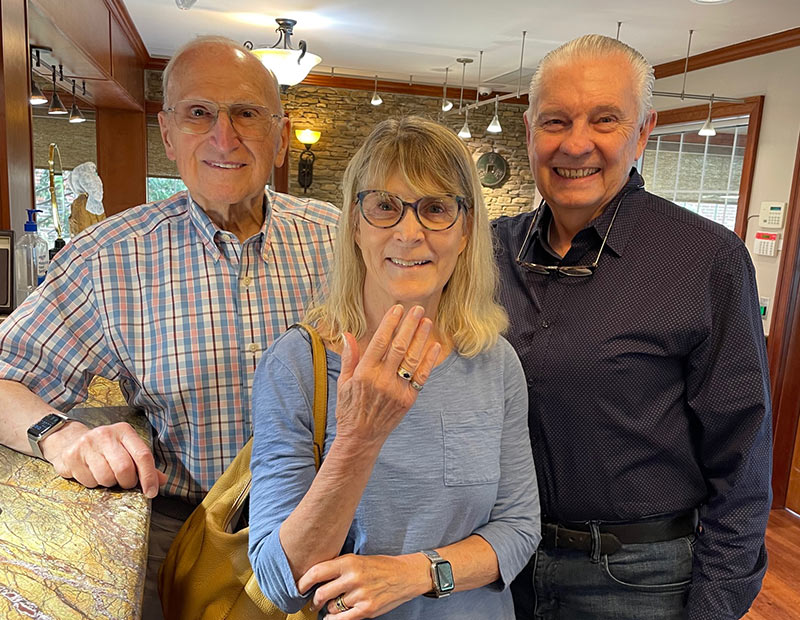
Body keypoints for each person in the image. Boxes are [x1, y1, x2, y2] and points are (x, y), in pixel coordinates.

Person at [0, 36, 339, 617]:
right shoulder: (105, 259)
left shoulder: (342, 240)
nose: (224, 137)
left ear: (281, 136)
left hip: (344, 543)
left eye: (247, 114)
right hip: (199, 543)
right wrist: (62, 435)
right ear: (167, 133)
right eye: (199, 113)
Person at [492, 34, 772, 620]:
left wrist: (717, 605)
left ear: (643, 131)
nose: (575, 144)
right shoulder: (489, 252)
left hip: (639, 580)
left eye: (604, 120)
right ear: (528, 131)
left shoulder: (704, 258)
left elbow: (741, 453)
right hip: (498, 564)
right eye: (555, 121)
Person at [248, 116, 541, 619]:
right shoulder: (298, 365)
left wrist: (414, 574)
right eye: (385, 206)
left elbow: (518, 526)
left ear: (466, 230)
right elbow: (280, 579)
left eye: (435, 209)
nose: (410, 233)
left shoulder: (493, 361)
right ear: (356, 226)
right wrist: (359, 438)